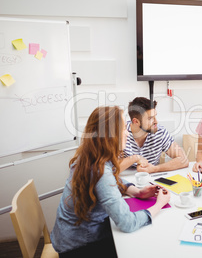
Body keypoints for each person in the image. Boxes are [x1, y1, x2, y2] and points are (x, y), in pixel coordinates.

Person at [51, 106, 171, 257]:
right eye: (123, 129)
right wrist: (159, 204)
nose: (127, 133)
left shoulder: (88, 157)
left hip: (69, 237)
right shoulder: (100, 171)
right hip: (80, 247)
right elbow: (127, 223)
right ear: (110, 136)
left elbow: (111, 179)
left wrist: (136, 191)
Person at [120, 97, 189, 173]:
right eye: (150, 118)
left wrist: (155, 169)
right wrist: (135, 158)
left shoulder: (160, 132)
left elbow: (183, 160)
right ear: (136, 121)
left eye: (155, 116)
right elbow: (110, 169)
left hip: (151, 179)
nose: (156, 122)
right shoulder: (121, 133)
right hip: (125, 181)